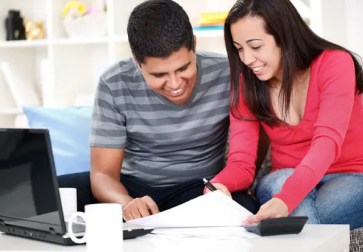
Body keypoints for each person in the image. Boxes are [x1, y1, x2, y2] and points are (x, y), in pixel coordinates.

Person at [58, 0, 259, 220]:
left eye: (183, 68)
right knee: (54, 192)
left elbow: (255, 140)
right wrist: (127, 203)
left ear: (194, 44)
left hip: (200, 189)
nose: (174, 84)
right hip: (133, 189)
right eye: (159, 75)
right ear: (137, 62)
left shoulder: (228, 73)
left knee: (244, 206)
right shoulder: (114, 82)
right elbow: (103, 175)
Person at [208, 0, 363, 229]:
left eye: (256, 46)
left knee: (296, 218)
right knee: (287, 191)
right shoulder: (247, 85)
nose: (247, 59)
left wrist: (286, 199)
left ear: (284, 36)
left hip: (352, 176)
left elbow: (327, 143)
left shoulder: (335, 63)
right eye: (239, 48)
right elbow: (242, 163)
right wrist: (218, 184)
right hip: (282, 178)